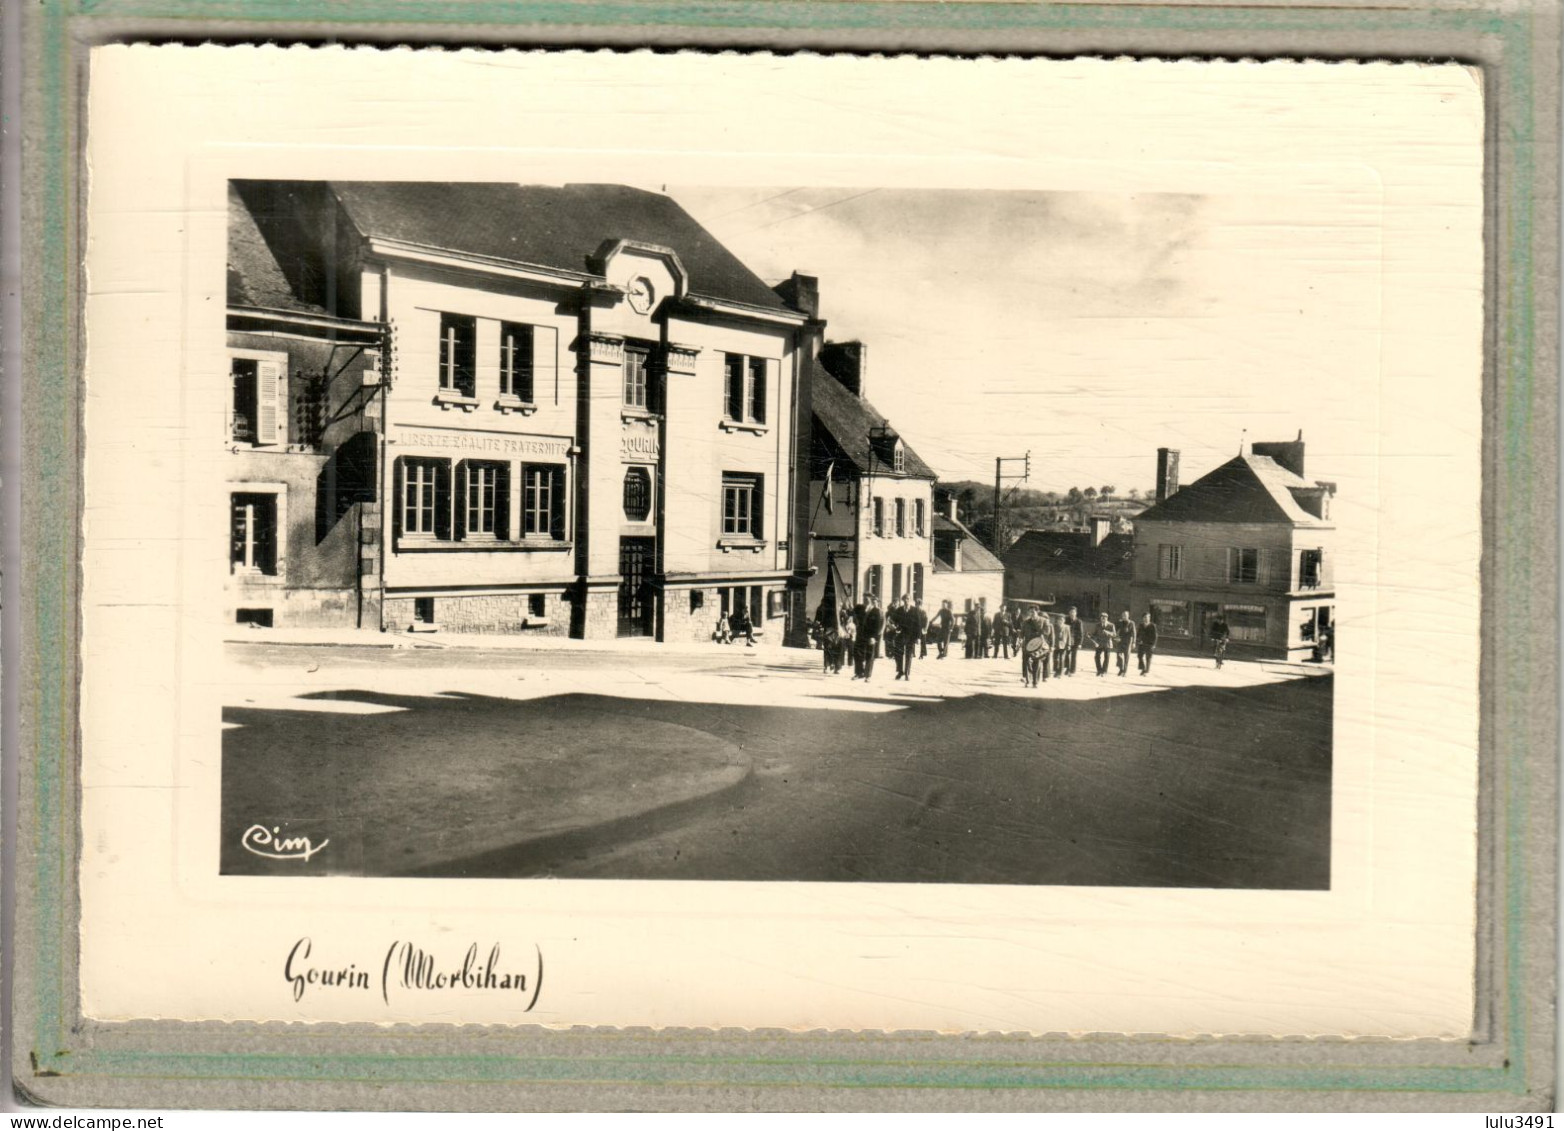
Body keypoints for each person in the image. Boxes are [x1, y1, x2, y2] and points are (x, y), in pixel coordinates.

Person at [1019, 606, 1048, 688]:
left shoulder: (1043, 621)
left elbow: (1047, 631)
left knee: (1037, 663)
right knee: (1027, 662)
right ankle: (1028, 681)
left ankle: (1035, 682)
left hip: (1038, 645)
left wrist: (1042, 634)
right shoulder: (1026, 622)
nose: (1031, 613)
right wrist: (1020, 639)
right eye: (1030, 612)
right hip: (1027, 645)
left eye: (1033, 612)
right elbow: (1022, 633)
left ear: (1037, 612)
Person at [859, 596, 884, 681]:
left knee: (870, 655)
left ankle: (868, 675)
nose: (868, 602)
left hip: (871, 636)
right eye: (866, 600)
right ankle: (862, 672)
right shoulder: (863, 610)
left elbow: (877, 625)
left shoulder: (877, 611)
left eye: (869, 600)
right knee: (862, 654)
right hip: (862, 636)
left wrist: (874, 637)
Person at [1091, 612, 1116, 677]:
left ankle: (1104, 671)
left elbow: (1114, 634)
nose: (1103, 619)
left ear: (1107, 618)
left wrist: (1107, 632)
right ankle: (1099, 670)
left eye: (1105, 618)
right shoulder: (1097, 625)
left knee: (1106, 657)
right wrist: (1093, 639)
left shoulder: (1111, 625)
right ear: (1100, 618)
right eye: (1102, 618)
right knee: (1096, 657)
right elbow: (1094, 634)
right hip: (1099, 644)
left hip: (1107, 644)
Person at [1114, 609, 1136, 677]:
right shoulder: (1119, 622)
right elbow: (1115, 630)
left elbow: (1134, 633)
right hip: (1120, 641)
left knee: (1126, 657)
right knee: (1119, 655)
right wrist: (1115, 638)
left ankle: (1124, 671)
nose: (1124, 617)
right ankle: (1121, 669)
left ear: (1128, 616)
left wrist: (1134, 642)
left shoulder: (1131, 623)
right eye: (1123, 615)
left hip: (1128, 642)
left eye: (1125, 615)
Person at [1063, 607, 1084, 676]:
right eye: (1071, 612)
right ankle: (1067, 668)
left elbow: (1081, 633)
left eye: (1073, 612)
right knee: (1066, 655)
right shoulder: (1066, 620)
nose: (1072, 614)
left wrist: (1080, 643)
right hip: (1067, 641)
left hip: (1075, 641)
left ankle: (1072, 670)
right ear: (1069, 613)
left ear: (1076, 613)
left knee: (1073, 656)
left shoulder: (1079, 621)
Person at [838, 607, 857, 674]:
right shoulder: (843, 618)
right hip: (844, 635)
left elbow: (854, 628)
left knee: (851, 650)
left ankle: (850, 663)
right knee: (842, 649)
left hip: (851, 636)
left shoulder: (852, 622)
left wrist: (851, 634)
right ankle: (842, 663)